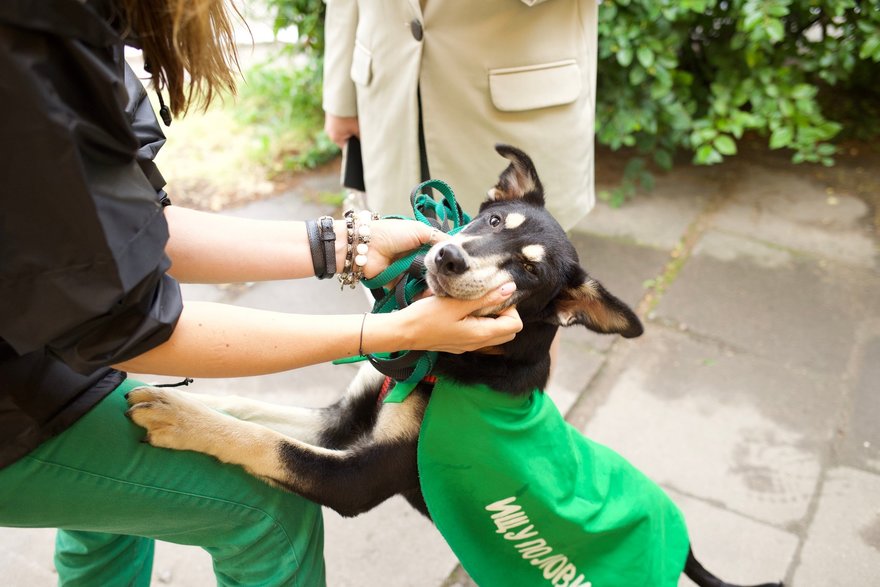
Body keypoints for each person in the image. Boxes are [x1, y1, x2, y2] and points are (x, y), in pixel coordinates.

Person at [0, 1, 522, 585]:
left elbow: (122, 236)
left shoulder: (51, 33)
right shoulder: (27, 55)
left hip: (35, 349)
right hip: (18, 395)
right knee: (269, 512)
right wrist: (394, 332)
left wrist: (346, 243)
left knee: (112, 495)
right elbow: (127, 326)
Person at [322, 0, 599, 229]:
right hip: (389, 99)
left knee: (517, 275)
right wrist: (340, 97)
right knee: (394, 265)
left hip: (510, 111)